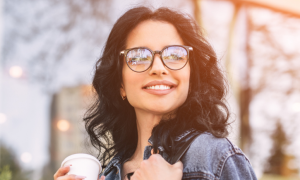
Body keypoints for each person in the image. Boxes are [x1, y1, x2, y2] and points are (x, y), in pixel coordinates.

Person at [54, 6, 257, 180]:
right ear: (120, 85)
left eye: (175, 55)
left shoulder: (215, 156)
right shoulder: (110, 173)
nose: (158, 68)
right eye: (139, 57)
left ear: (190, 76)